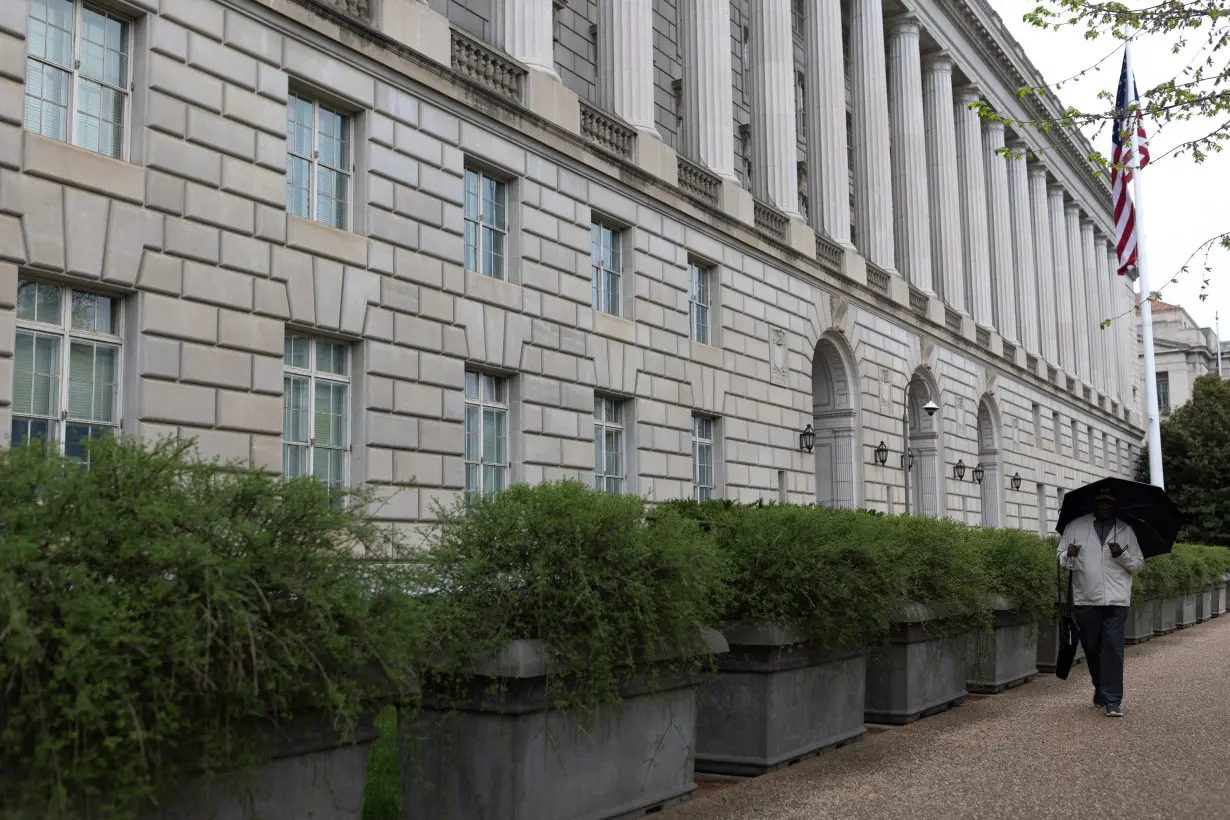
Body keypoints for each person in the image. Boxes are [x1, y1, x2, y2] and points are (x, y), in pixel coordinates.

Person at [1058, 490, 1145, 717]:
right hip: (1086, 598)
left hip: (1117, 600)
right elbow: (1060, 560)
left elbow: (1138, 565)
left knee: (1113, 648)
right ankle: (1101, 687)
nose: (1105, 506)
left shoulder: (1126, 530)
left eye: (1109, 502)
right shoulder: (1075, 527)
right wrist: (1068, 554)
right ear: (1094, 505)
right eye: (1101, 502)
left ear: (1115, 505)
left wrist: (1122, 556)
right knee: (1092, 647)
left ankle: (1113, 699)